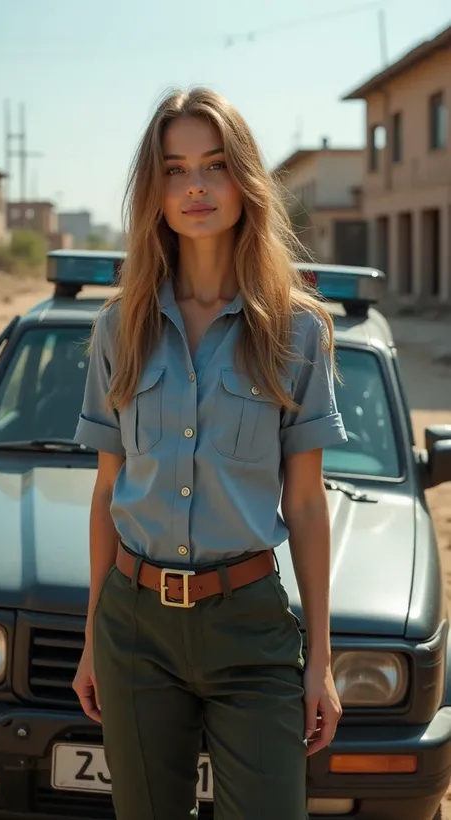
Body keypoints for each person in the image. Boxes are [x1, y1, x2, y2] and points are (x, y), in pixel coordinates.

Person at [73, 86, 347, 820]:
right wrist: (94, 637)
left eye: (215, 164)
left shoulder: (297, 331)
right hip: (134, 627)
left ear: (245, 180)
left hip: (250, 626)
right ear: (154, 191)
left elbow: (308, 504)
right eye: (174, 169)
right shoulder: (118, 329)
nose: (195, 185)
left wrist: (319, 660)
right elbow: (107, 494)